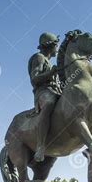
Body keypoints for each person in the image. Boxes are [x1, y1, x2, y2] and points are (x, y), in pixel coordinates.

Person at [28, 32, 61, 162]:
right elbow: (34, 79)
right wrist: (51, 72)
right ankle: (41, 146)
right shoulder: (39, 57)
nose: (57, 49)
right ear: (50, 46)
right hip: (43, 92)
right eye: (56, 45)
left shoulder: (49, 61)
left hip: (55, 91)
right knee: (50, 103)